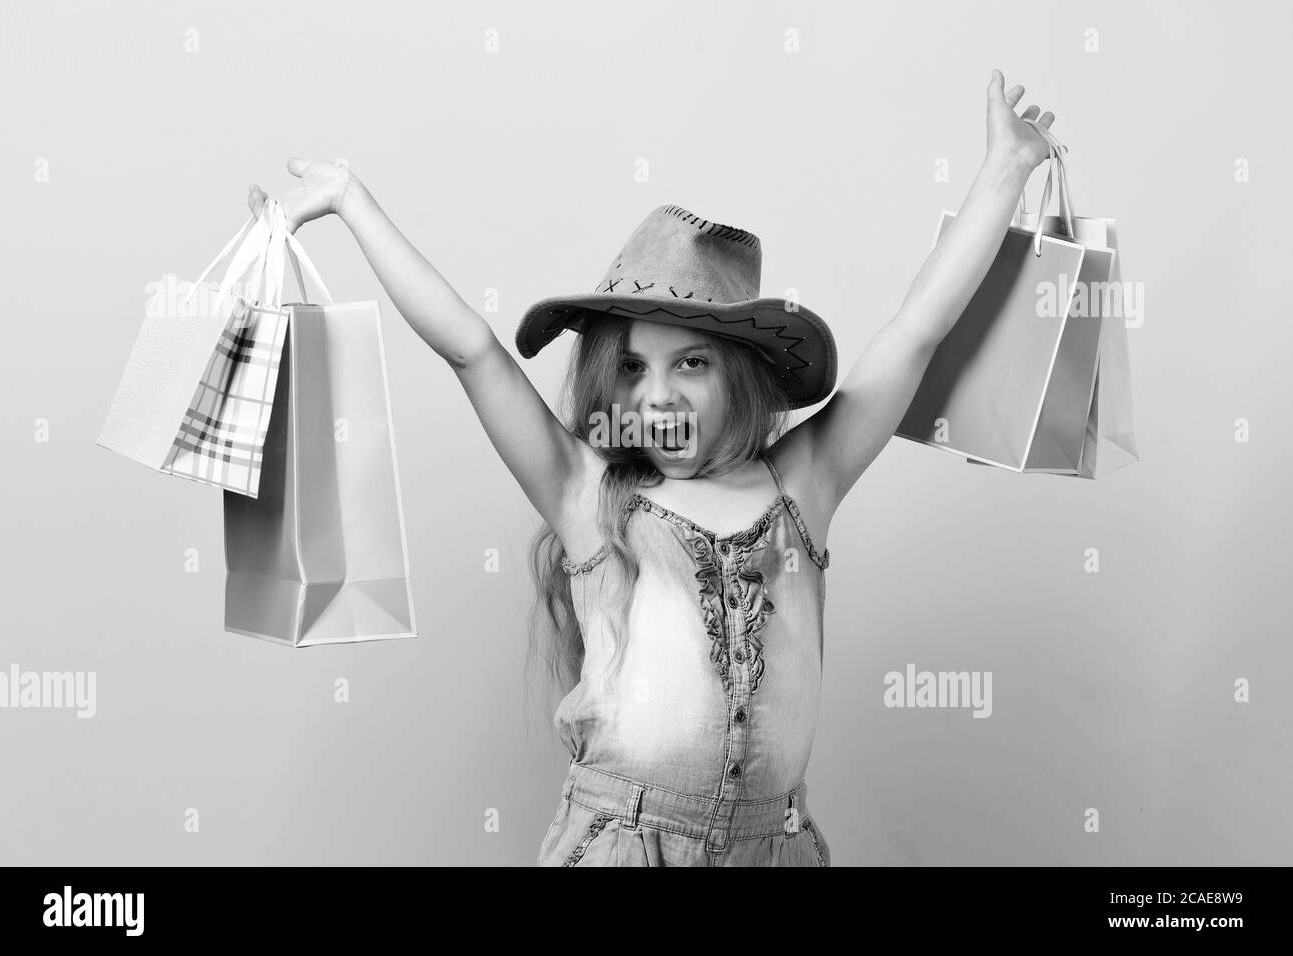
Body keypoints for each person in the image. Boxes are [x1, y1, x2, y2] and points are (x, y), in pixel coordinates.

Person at [248, 69, 1059, 866]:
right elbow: (471, 349)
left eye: (692, 365)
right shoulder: (590, 495)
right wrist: (353, 200)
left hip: (770, 850)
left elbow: (918, 329)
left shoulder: (803, 484)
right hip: (623, 846)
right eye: (634, 369)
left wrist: (1004, 171)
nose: (658, 396)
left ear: (739, 374)